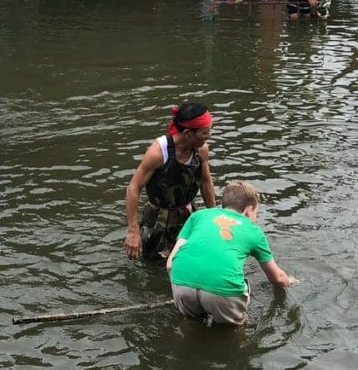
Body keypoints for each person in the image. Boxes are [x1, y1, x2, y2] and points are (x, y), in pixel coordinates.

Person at [167, 181, 297, 325]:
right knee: (233, 332)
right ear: (249, 210)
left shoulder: (199, 215)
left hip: (181, 281)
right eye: (256, 213)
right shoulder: (254, 231)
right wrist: (290, 281)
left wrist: (188, 285)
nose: (256, 218)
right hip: (222, 289)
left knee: (192, 324)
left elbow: (170, 264)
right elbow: (277, 278)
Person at [123, 102, 216, 260]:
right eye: (204, 133)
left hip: (188, 213)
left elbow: (206, 181)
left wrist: (214, 216)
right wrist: (133, 231)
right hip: (159, 217)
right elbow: (133, 187)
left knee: (190, 258)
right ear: (188, 133)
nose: (209, 136)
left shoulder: (201, 149)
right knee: (154, 264)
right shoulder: (158, 152)